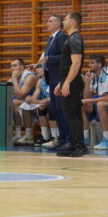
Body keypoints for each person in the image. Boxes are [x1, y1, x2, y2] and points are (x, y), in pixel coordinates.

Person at [54, 12, 87, 157]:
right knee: (69, 114)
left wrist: (67, 82)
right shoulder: (69, 38)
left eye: (66, 19)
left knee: (73, 114)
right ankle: (73, 144)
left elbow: (76, 63)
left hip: (72, 82)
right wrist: (61, 83)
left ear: (73, 22)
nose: (63, 21)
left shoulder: (75, 39)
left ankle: (80, 146)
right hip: (67, 81)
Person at [38, 15, 69, 150]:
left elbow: (65, 56)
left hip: (59, 79)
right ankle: (61, 138)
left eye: (50, 21)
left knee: (62, 110)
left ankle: (68, 138)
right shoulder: (51, 39)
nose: (47, 24)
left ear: (58, 24)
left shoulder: (61, 36)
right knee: (56, 110)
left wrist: (49, 58)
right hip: (52, 79)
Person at [8, 58, 39, 144]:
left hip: (38, 102)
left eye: (15, 65)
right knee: (11, 103)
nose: (12, 68)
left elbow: (20, 95)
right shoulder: (17, 76)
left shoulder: (30, 76)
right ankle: (17, 135)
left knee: (14, 103)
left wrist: (14, 79)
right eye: (11, 66)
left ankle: (29, 136)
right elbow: (5, 92)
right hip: (25, 102)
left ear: (22, 67)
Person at [26, 64, 54, 146]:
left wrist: (46, 101)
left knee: (51, 107)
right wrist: (30, 99)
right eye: (36, 68)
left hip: (57, 102)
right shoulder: (40, 81)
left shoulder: (53, 79)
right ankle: (45, 137)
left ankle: (56, 137)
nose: (37, 70)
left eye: (39, 68)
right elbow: (35, 96)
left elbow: (56, 97)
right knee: (41, 108)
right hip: (47, 102)